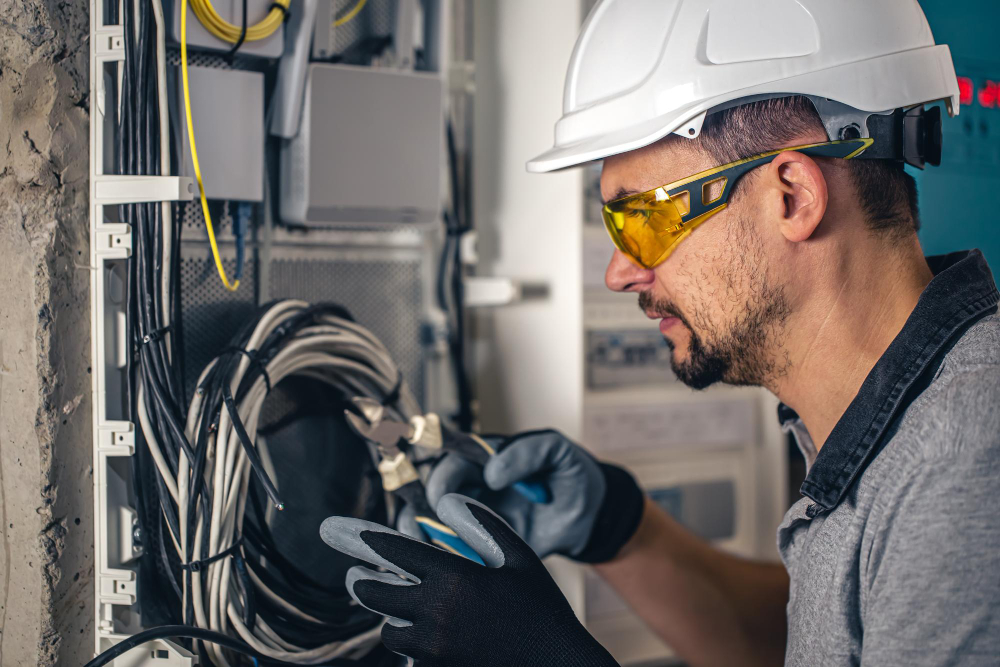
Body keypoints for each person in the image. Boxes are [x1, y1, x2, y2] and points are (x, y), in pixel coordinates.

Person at [321, 1, 1000, 665]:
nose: (621, 271)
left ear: (791, 195)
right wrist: (621, 529)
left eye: (641, 219)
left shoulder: (965, 459)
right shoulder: (894, 430)